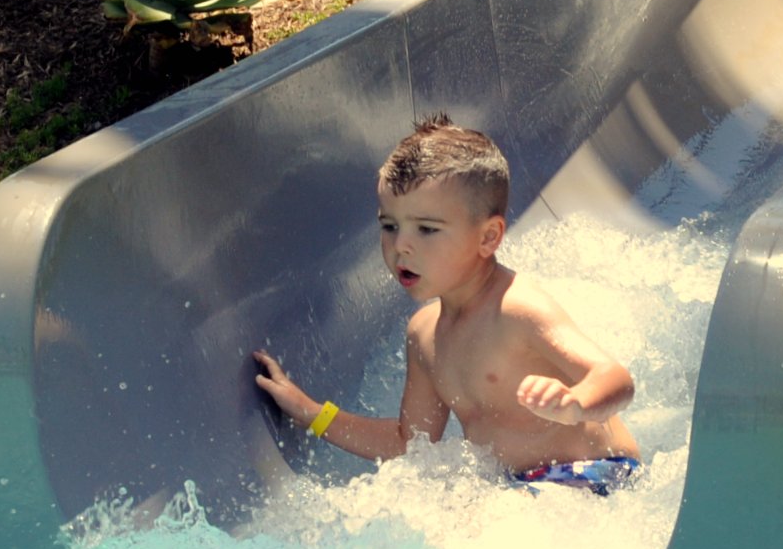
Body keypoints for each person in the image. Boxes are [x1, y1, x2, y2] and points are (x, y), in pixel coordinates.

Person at [253, 117, 644, 496]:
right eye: (389, 226)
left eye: (426, 229)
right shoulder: (424, 335)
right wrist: (311, 412)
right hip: (521, 492)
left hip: (594, 476)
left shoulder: (518, 310)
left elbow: (616, 379)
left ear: (488, 237)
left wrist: (576, 403)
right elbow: (410, 443)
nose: (400, 246)